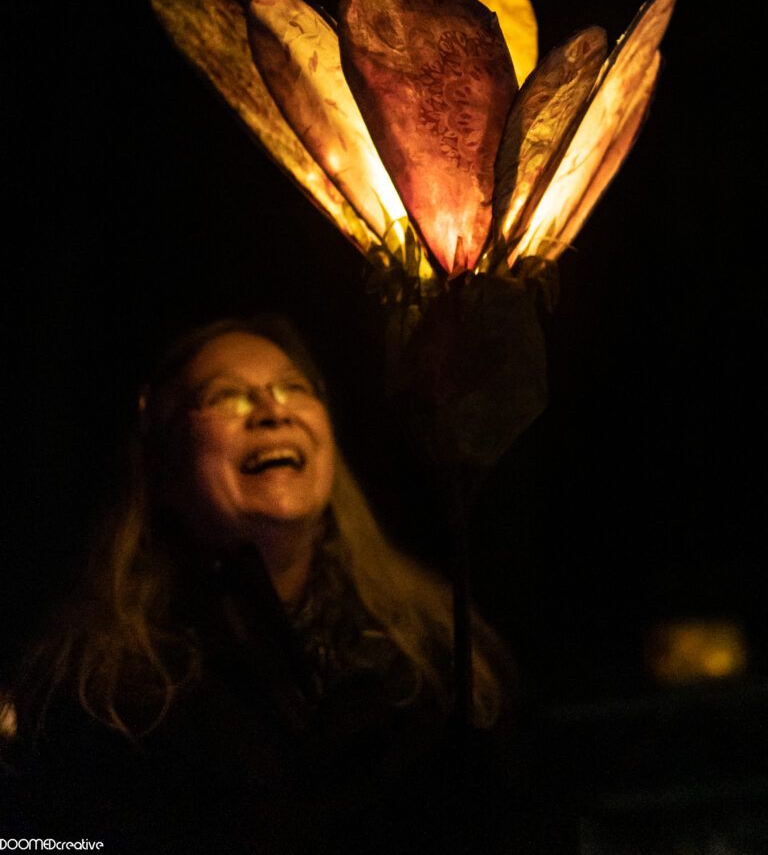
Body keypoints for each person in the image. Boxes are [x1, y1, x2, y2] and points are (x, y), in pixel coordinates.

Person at [1, 315, 526, 853]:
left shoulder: (437, 649)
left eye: (294, 389)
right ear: (162, 461)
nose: (274, 412)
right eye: (227, 396)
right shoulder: (97, 686)